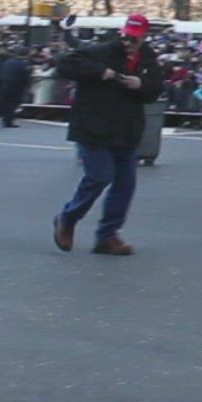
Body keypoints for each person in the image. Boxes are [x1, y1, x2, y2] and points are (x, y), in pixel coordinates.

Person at [52, 13, 165, 256]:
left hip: (126, 129)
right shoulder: (99, 51)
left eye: (134, 39)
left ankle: (108, 235)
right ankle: (68, 217)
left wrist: (141, 85)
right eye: (126, 37)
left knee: (125, 184)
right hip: (94, 126)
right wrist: (100, 72)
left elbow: (156, 89)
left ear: (144, 37)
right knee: (99, 176)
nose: (128, 42)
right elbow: (65, 65)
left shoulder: (149, 59)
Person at [0, 47, 30, 128]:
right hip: (16, 85)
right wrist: (27, 85)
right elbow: (24, 75)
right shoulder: (22, 64)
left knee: (5, 103)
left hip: (4, 84)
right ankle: (9, 121)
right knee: (13, 104)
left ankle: (5, 120)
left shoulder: (8, 62)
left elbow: (1, 72)